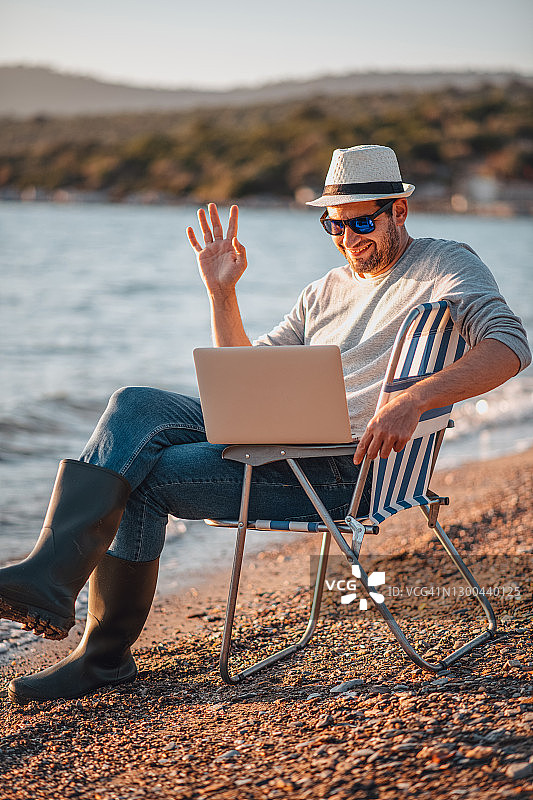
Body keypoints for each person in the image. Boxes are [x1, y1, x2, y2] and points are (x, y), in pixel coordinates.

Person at [1, 145, 530, 705]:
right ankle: (51, 576)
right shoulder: (323, 291)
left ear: (399, 211)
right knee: (135, 405)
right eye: (335, 224)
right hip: (285, 440)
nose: (349, 238)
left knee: (142, 476)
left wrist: (414, 400)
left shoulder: (445, 263)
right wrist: (222, 292)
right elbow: (246, 375)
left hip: (342, 472)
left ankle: (100, 654)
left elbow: (510, 345)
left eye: (363, 222)